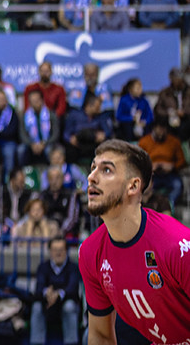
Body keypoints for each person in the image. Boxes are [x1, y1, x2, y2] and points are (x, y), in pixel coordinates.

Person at [80, 139, 190, 345]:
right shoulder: (90, 252)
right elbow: (102, 337)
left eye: (106, 170)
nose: (91, 177)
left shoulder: (176, 246)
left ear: (133, 186)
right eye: (93, 167)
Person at [31, 237, 81, 345]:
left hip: (66, 303)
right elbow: (38, 288)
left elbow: (72, 289)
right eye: (55, 250)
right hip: (47, 305)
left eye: (61, 250)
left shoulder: (73, 268)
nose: (58, 253)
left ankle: (71, 343)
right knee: (36, 307)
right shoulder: (43, 267)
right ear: (50, 251)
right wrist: (47, 293)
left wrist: (58, 295)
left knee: (69, 306)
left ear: (66, 251)